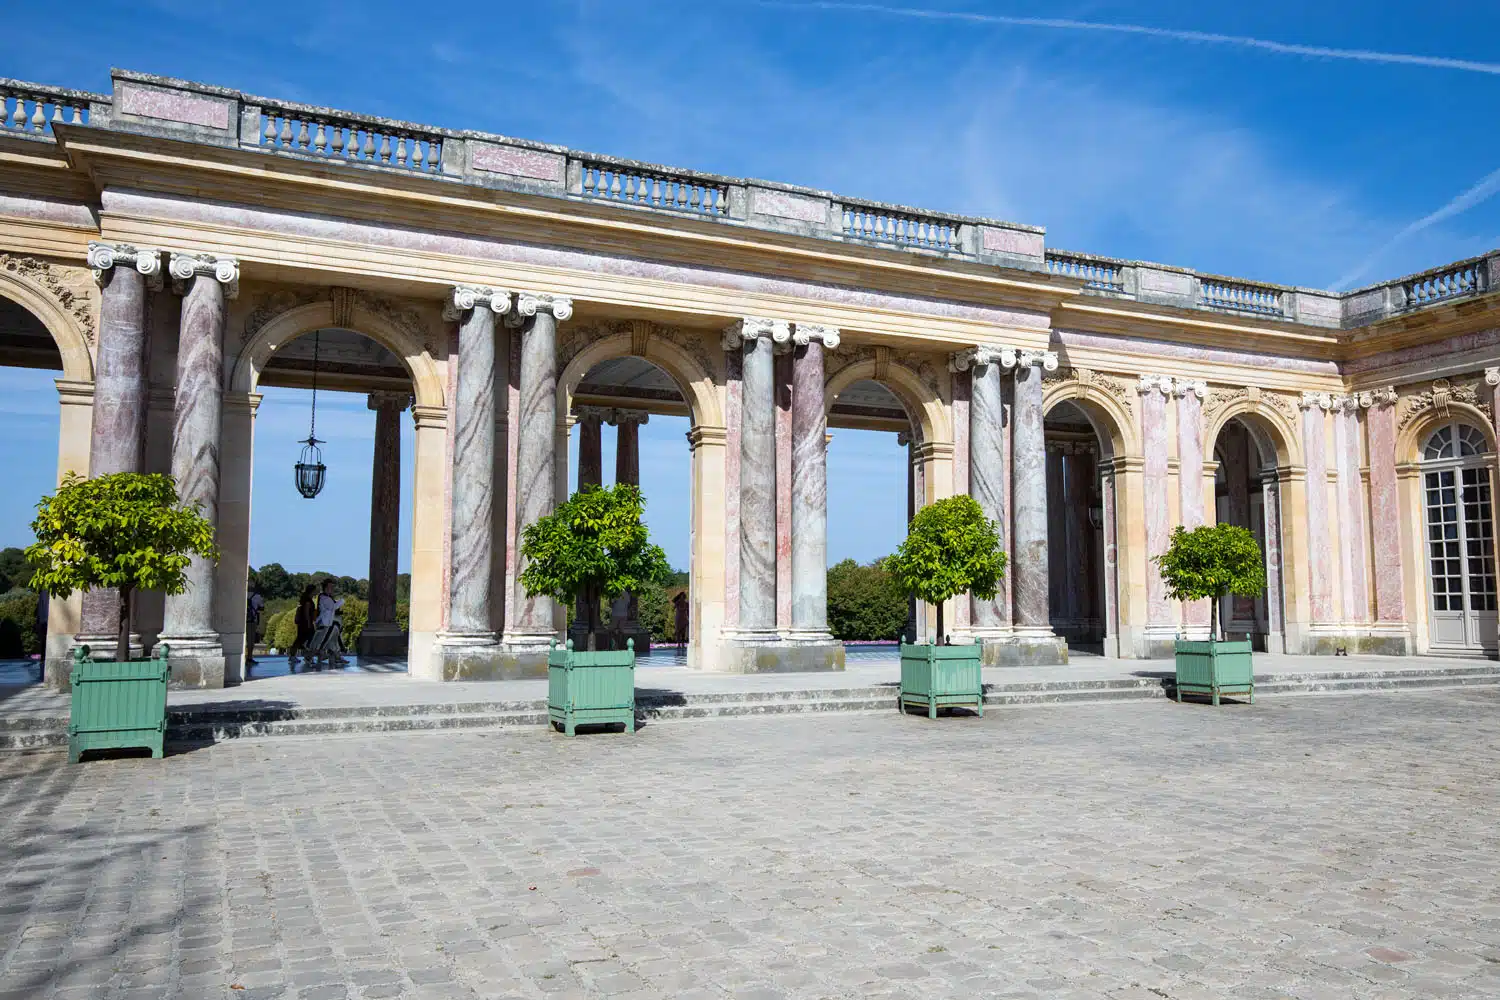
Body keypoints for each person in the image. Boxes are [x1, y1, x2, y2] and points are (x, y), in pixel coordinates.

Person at [309, 579, 347, 668]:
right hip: (324, 624)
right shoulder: (324, 597)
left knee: (330, 643)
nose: (332, 588)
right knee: (319, 643)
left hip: (327, 624)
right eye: (330, 587)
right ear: (325, 588)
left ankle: (336, 658)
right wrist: (342, 601)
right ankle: (309, 658)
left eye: (333, 587)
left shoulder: (327, 597)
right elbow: (332, 607)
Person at [286, 584, 318, 671]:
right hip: (306, 624)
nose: (316, 591)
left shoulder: (306, 599)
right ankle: (307, 657)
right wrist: (309, 623)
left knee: (300, 640)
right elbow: (307, 613)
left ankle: (293, 656)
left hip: (303, 624)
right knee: (307, 640)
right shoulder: (308, 600)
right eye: (315, 590)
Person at [245, 585, 266, 667]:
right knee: (250, 640)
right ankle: (249, 658)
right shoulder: (257, 596)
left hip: (242, 620)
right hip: (252, 620)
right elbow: (262, 608)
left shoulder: (242, 594)